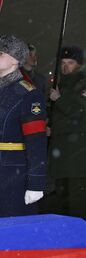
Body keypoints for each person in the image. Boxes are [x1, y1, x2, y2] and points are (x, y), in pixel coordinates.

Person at [0, 35, 47, 219]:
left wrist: (36, 183)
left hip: (13, 174)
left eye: (1, 53)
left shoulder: (29, 94)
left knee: (11, 230)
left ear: (16, 60)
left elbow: (36, 142)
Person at [47, 46, 86, 219]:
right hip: (62, 155)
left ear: (79, 64)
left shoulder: (82, 83)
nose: (65, 67)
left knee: (76, 203)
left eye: (70, 63)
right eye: (62, 63)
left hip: (77, 157)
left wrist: (59, 99)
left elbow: (80, 112)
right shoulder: (62, 83)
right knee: (63, 201)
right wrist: (51, 126)